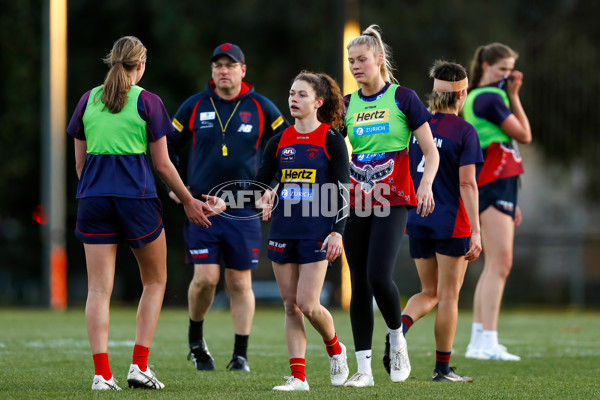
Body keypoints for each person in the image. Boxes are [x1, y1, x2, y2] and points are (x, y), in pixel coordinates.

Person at [67, 36, 223, 391]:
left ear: (112, 63)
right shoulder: (148, 102)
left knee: (97, 290)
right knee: (154, 282)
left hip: (92, 198)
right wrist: (188, 201)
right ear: (141, 65)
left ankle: (101, 376)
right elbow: (164, 166)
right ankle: (139, 367)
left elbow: (79, 161)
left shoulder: (87, 99)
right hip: (135, 200)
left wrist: (96, 188)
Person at [167, 43, 289, 372]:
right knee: (206, 279)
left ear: (242, 70)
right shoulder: (194, 106)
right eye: (218, 65)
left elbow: (287, 146)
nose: (223, 70)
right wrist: (177, 188)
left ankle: (240, 356)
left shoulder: (261, 107)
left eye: (230, 65)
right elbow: (167, 147)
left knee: (239, 283)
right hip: (202, 206)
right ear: (212, 71)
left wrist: (274, 186)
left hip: (243, 208)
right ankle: (196, 343)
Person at [342, 25, 440, 387]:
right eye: (351, 61)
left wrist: (426, 184)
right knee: (358, 283)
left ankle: (397, 337)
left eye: (362, 60)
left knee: (378, 276)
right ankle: (364, 370)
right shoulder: (347, 105)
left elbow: (430, 152)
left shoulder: (404, 98)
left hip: (393, 198)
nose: (355, 66)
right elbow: (333, 152)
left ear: (379, 60)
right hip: (356, 201)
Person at [255, 71, 351, 391]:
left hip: (317, 230)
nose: (293, 99)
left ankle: (335, 348)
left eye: (302, 95)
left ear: (318, 102)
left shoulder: (331, 139)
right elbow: (263, 179)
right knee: (290, 306)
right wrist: (267, 191)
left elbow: (343, 190)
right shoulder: (279, 139)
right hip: (283, 227)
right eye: (292, 93)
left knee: (308, 303)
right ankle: (298, 378)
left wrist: (337, 232)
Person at [401, 60, 483, 382]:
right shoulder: (464, 131)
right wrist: (476, 231)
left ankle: (400, 329)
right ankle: (442, 369)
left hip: (418, 219)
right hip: (451, 223)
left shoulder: (416, 128)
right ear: (462, 93)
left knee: (428, 292)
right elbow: (467, 184)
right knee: (448, 296)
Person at [462, 43, 532, 361]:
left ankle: (480, 340)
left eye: (511, 70)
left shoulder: (483, 96)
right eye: (502, 70)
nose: (507, 76)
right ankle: (486, 341)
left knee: (495, 265)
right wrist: (515, 95)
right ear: (486, 66)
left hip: (496, 182)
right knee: (500, 264)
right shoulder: (489, 97)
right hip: (492, 181)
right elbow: (524, 134)